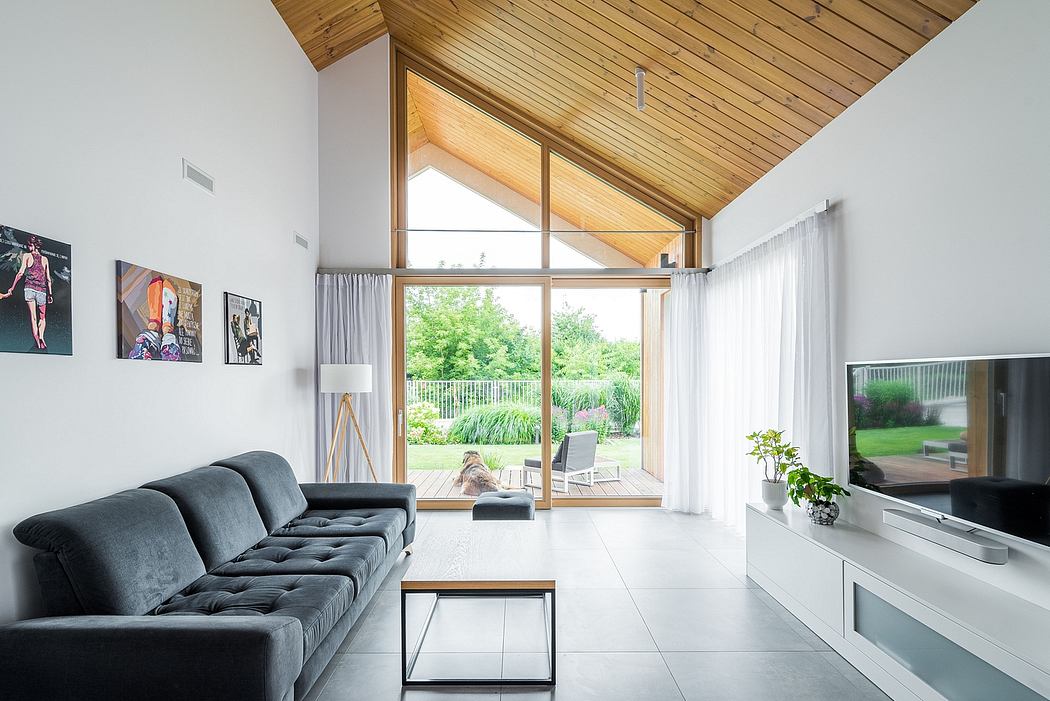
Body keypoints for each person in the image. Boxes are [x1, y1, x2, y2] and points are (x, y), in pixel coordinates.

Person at [0, 235, 52, 350]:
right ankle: (41, 337)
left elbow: (20, 273)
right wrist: (50, 294)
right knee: (42, 317)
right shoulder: (45, 259)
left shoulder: (27, 256)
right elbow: (48, 279)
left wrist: (12, 288)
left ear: (35, 245)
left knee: (33, 317)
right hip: (42, 290)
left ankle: (37, 341)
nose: (28, 247)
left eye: (30, 245)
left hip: (29, 289)